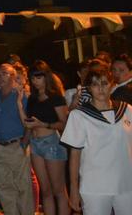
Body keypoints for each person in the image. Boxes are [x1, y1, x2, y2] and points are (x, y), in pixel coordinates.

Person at [61, 65, 132, 215]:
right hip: (94, 187)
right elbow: (74, 155)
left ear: (112, 85)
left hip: (127, 184)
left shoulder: (127, 110)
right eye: (95, 84)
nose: (101, 88)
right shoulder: (79, 116)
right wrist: (74, 189)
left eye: (105, 83)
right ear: (88, 88)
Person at [18, 61, 69, 215]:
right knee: (45, 190)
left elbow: (64, 124)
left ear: (46, 77)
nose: (34, 81)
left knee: (58, 190)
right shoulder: (33, 98)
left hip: (52, 142)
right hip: (35, 144)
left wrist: (44, 124)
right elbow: (28, 124)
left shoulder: (56, 97)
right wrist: (24, 144)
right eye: (32, 78)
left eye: (38, 77)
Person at [0, 63, 33, 215]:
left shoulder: (20, 95)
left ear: (13, 77)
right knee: (5, 189)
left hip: (16, 145)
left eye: (4, 73)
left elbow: (29, 122)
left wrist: (24, 144)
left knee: (23, 188)